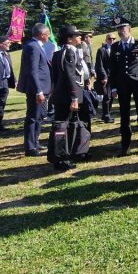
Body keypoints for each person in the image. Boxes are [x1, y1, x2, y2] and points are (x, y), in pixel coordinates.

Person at [109, 16, 138, 157]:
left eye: (123, 28)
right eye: (118, 29)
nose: (121, 31)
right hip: (123, 84)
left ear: (129, 29)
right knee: (124, 115)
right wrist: (113, 87)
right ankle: (125, 146)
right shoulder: (115, 47)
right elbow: (112, 68)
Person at [50, 26, 85, 171]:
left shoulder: (58, 53)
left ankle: (62, 155)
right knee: (63, 128)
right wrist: (74, 97)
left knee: (62, 126)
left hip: (61, 95)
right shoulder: (69, 52)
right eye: (77, 35)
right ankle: (61, 158)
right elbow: (70, 76)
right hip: (67, 96)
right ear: (69, 39)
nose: (80, 37)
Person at [17, 24, 52, 156]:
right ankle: (30, 148)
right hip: (37, 90)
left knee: (40, 116)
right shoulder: (33, 46)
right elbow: (33, 71)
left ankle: (35, 142)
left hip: (43, 88)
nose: (49, 36)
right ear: (42, 35)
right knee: (33, 118)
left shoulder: (37, 45)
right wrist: (39, 91)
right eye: (48, 34)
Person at [95, 33, 116, 123]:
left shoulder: (116, 49)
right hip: (106, 77)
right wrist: (104, 76)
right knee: (107, 97)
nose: (112, 40)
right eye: (110, 39)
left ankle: (105, 114)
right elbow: (99, 65)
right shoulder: (101, 50)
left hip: (114, 76)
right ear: (106, 40)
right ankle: (107, 116)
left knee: (112, 96)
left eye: (113, 39)